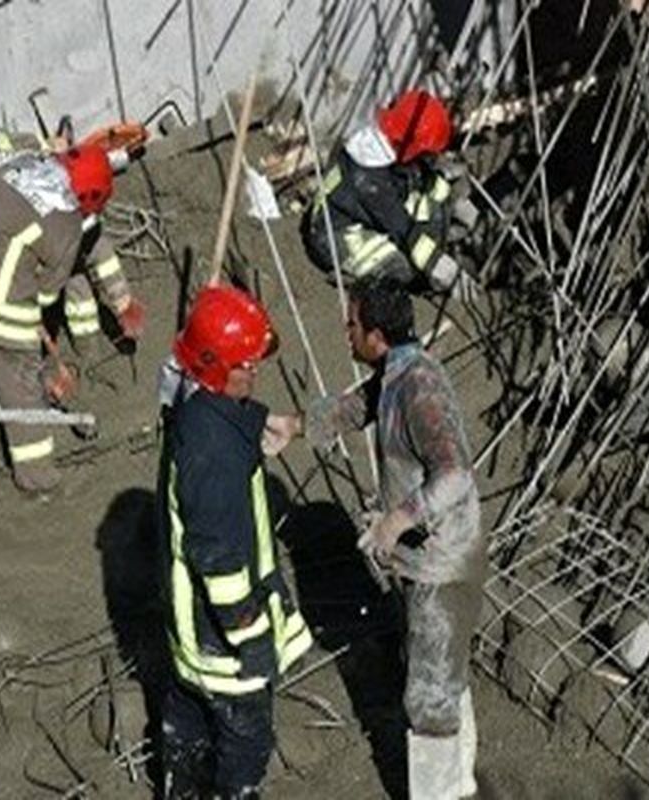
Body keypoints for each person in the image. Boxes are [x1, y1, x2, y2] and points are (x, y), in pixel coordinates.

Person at [303, 275, 485, 799]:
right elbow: (356, 407)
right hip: (428, 558)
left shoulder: (418, 388)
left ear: (376, 334)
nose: (347, 333)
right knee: (442, 673)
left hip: (442, 561)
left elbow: (455, 475)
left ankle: (439, 794)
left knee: (428, 697)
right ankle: (459, 781)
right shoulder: (396, 372)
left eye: (352, 324)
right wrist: (292, 425)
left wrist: (395, 520)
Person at [156, 284, 313, 799]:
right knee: (244, 748)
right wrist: (249, 636)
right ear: (219, 368)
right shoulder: (214, 457)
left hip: (190, 640)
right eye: (247, 364)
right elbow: (219, 563)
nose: (256, 370)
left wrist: (269, 422)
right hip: (221, 648)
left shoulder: (196, 412)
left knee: (187, 734)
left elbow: (227, 413)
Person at [0, 131, 146, 494]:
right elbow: (48, 294)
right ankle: (39, 480)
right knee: (23, 390)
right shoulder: (66, 226)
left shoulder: (19, 167)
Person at [301, 89, 468, 293]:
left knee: (427, 193)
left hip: (354, 215)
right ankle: (357, 281)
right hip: (334, 235)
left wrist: (454, 207)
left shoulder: (378, 145)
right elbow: (402, 228)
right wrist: (437, 264)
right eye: (425, 153)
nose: (429, 158)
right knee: (402, 268)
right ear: (412, 147)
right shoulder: (372, 182)